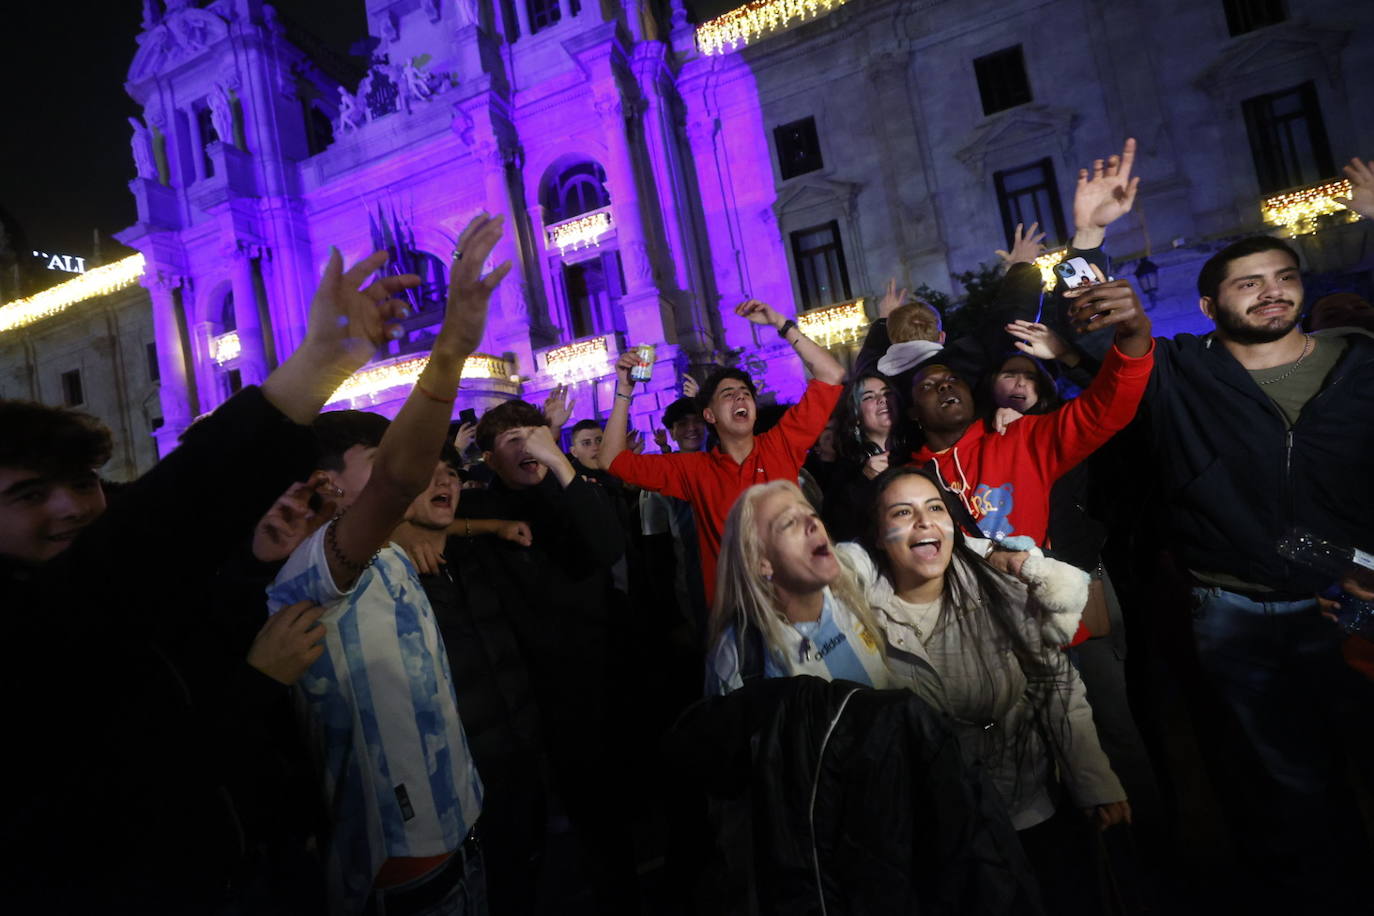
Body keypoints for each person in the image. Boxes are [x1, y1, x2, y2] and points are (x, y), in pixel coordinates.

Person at [2, 234, 423, 910]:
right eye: (28, 496)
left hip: (253, 863)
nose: (71, 509)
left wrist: (253, 566)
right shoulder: (34, 621)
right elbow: (134, 784)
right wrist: (316, 366)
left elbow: (188, 634)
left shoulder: (129, 583)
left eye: (84, 484)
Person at [267, 212, 511, 915]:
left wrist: (488, 522)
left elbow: (428, 511)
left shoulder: (394, 552)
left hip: (465, 838)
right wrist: (454, 346)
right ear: (327, 487)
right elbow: (403, 485)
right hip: (405, 882)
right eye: (372, 466)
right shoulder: (312, 574)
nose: (395, 481)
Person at [1127, 229, 1374, 911]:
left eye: (1284, 276)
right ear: (1209, 306)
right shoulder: (1184, 373)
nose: (1273, 291)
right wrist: (1087, 238)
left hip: (1357, 604)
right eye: (1249, 282)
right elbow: (1099, 343)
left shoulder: (1356, 364)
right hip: (1240, 612)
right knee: (1290, 786)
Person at [839, 465, 1126, 913]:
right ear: (876, 537)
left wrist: (1093, 783)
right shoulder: (856, 619)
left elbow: (1057, 686)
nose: (923, 521)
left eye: (934, 507)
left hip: (1026, 805)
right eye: (902, 512)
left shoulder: (1000, 590)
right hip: (935, 830)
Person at [457, 398, 640, 914]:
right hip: (521, 688)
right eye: (513, 442)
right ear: (489, 460)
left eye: (533, 436)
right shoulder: (479, 508)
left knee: (602, 811)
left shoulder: (573, 490)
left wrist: (559, 459)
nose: (528, 448)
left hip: (595, 674)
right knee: (529, 830)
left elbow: (608, 547)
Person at [600, 298, 847, 604]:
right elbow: (612, 460)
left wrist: (780, 323)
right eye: (728, 395)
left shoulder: (781, 444)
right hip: (737, 613)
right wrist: (624, 389)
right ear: (710, 415)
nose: (740, 398)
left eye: (746, 394)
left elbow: (831, 374)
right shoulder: (694, 469)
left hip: (798, 603)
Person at [820, 371, 905, 543]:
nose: (882, 399)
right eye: (868, 397)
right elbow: (835, 527)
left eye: (887, 393)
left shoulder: (919, 446)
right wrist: (864, 481)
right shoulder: (846, 469)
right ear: (856, 416)